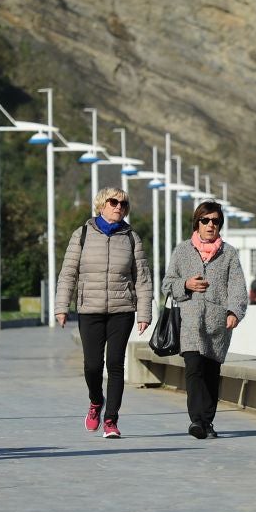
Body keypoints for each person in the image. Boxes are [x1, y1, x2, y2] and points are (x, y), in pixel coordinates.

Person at [54, 187, 150, 439]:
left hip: (122, 310)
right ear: (101, 205)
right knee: (93, 365)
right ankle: (96, 401)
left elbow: (142, 278)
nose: (119, 206)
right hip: (90, 309)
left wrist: (144, 313)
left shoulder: (132, 238)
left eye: (124, 204)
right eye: (113, 202)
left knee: (116, 364)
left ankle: (111, 420)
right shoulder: (82, 234)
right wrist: (61, 306)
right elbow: (68, 273)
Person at [163, 201, 248, 439]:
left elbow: (238, 288)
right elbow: (167, 284)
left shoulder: (229, 253)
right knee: (194, 370)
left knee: (211, 373)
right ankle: (197, 421)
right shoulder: (182, 251)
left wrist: (234, 312)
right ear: (197, 223)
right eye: (205, 220)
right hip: (189, 323)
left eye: (215, 221)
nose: (211, 225)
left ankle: (207, 421)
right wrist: (186, 285)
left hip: (217, 326)